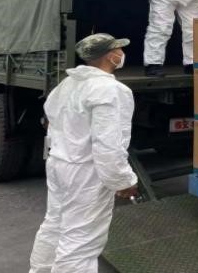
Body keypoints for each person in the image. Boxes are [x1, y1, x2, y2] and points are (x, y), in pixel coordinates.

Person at [29, 33, 137, 273]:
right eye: (119, 49)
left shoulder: (66, 85)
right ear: (110, 56)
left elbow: (50, 121)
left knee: (55, 223)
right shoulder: (111, 90)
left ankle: (41, 269)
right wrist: (123, 180)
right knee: (81, 240)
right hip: (86, 172)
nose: (122, 53)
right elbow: (108, 144)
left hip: (59, 163)